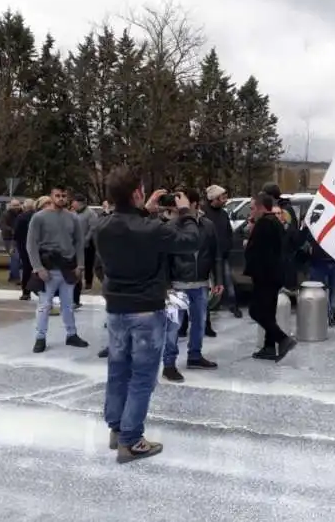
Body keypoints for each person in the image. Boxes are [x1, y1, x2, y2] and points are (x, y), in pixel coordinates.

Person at [95, 167, 200, 463]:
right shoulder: (151, 229)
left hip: (116, 309)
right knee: (142, 377)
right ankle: (131, 440)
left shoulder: (101, 226)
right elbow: (189, 241)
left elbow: (127, 228)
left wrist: (145, 211)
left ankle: (117, 430)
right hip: (145, 310)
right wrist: (185, 212)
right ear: (137, 193)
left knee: (118, 372)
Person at [161, 188, 224, 383]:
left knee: (199, 323)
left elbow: (216, 255)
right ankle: (169, 364)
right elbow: (164, 258)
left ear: (195, 204)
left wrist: (219, 279)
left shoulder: (208, 226)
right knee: (173, 326)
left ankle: (195, 356)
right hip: (177, 284)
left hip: (201, 283)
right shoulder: (171, 226)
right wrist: (165, 285)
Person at [26, 186, 87, 353]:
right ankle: (40, 337)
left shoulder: (73, 218)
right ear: (51, 197)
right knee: (44, 305)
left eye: (64, 196)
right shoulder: (39, 217)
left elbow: (79, 243)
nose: (61, 198)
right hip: (48, 267)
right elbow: (31, 244)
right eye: (57, 195)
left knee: (68, 304)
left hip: (68, 266)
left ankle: (71, 334)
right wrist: (38, 267)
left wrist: (80, 265)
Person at [245, 192, 297, 362]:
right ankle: (268, 347)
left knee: (256, 311)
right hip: (274, 276)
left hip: (265, 277)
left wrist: (248, 244)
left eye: (252, 208)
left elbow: (257, 253)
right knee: (268, 313)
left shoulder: (263, 225)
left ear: (260, 207)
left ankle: (282, 339)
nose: (251, 212)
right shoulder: (275, 222)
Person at [204, 185, 242, 319]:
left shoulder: (223, 214)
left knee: (227, 280)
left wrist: (228, 246)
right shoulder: (204, 214)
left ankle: (234, 305)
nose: (225, 200)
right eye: (222, 197)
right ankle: (207, 309)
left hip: (222, 255)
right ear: (214, 198)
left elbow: (228, 232)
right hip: (206, 255)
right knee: (206, 284)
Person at [262, 182, 302, 292]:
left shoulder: (284, 210)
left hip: (284, 257)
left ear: (271, 195)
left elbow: (289, 233)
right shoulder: (277, 207)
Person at [306, 229, 335, 328]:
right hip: (318, 262)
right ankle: (318, 318)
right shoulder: (316, 224)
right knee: (317, 293)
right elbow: (308, 239)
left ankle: (332, 317)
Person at [71, 194, 98, 308]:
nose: (72, 204)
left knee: (88, 262)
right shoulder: (73, 213)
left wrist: (86, 239)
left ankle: (88, 282)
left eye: (74, 202)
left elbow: (93, 228)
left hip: (87, 244)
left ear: (80, 203)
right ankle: (77, 283)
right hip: (74, 244)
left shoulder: (90, 213)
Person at [14, 198, 36, 300]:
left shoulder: (21, 217)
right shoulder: (37, 216)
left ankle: (26, 292)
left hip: (23, 245)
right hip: (36, 245)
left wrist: (15, 243)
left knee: (26, 268)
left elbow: (17, 233)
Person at [1, 198, 22, 282]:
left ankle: (13, 276)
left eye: (17, 205)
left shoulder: (22, 213)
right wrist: (13, 230)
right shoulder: (5, 214)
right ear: (10, 206)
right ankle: (15, 276)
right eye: (14, 205)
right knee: (14, 257)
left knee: (16, 258)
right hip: (8, 238)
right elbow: (3, 225)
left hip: (18, 238)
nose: (16, 207)